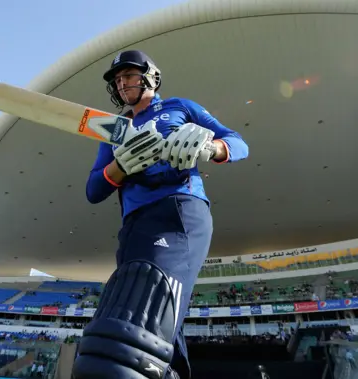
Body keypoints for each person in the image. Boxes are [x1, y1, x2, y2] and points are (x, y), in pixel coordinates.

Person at [72, 50, 249, 379]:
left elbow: (239, 143)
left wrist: (211, 147)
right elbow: (94, 190)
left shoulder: (179, 107)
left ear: (150, 76)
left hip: (178, 210)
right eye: (118, 79)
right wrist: (120, 166)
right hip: (133, 226)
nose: (123, 83)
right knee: (158, 325)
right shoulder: (115, 128)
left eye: (129, 75)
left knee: (137, 327)